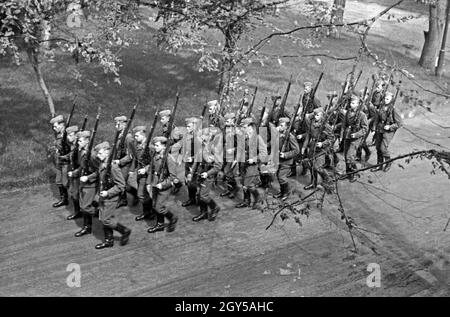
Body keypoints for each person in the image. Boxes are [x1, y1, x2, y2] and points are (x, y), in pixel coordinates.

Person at [94, 141, 132, 249]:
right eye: (98, 153)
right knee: (103, 218)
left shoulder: (113, 167)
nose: (98, 155)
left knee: (106, 219)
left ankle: (124, 230)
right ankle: (108, 241)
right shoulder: (102, 164)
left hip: (111, 198)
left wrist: (108, 193)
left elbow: (121, 185)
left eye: (100, 153)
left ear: (107, 153)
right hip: (103, 196)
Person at [146, 136, 178, 233]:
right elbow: (151, 169)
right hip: (155, 183)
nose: (155, 147)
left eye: (157, 145)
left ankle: (172, 218)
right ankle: (160, 224)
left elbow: (172, 176)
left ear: (164, 147)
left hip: (164, 186)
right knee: (155, 204)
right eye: (155, 145)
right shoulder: (155, 156)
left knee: (158, 207)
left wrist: (163, 185)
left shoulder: (169, 159)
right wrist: (148, 183)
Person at [191, 127, 223, 221]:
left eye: (203, 136)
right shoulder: (202, 146)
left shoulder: (214, 148)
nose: (200, 138)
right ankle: (203, 213)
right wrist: (191, 172)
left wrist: (208, 173)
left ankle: (215, 207)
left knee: (203, 195)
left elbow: (218, 166)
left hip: (208, 175)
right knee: (200, 194)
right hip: (200, 173)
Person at [235, 118, 268, 208]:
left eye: (245, 127)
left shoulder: (257, 138)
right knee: (244, 183)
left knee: (248, 184)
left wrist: (254, 159)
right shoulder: (244, 137)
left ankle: (257, 197)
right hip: (243, 164)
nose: (243, 129)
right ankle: (247, 201)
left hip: (252, 166)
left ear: (250, 127)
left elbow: (264, 153)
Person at [302, 108, 334, 191]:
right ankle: (313, 183)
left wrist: (323, 143)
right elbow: (308, 136)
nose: (315, 117)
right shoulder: (312, 124)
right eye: (314, 115)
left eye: (317, 115)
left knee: (318, 167)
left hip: (321, 149)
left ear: (322, 116)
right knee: (311, 165)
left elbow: (331, 139)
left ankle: (327, 179)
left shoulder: (326, 126)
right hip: (313, 147)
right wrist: (304, 147)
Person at [370, 91, 403, 172]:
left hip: (388, 132)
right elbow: (377, 118)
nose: (385, 100)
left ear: (391, 100)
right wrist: (374, 129)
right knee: (378, 147)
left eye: (387, 99)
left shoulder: (393, 109)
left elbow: (400, 123)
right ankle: (379, 165)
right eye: (385, 98)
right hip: (380, 129)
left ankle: (388, 162)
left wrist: (390, 126)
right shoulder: (382, 107)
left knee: (383, 148)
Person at [72, 130, 97, 238]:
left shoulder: (92, 154)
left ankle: (99, 214)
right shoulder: (82, 152)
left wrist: (88, 177)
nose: (78, 143)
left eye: (81, 141)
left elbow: (99, 171)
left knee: (85, 207)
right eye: (78, 141)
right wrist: (75, 173)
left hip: (91, 184)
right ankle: (88, 227)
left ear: (87, 141)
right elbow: (82, 166)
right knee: (84, 206)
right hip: (84, 182)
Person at [341, 95, 369, 182]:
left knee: (350, 156)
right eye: (350, 103)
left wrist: (356, 134)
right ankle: (348, 173)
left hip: (356, 138)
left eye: (353, 103)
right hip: (347, 136)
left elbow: (365, 129)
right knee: (346, 155)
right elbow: (344, 124)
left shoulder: (362, 115)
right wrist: (342, 135)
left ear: (358, 104)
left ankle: (354, 173)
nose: (351, 104)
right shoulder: (348, 112)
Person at [112, 115, 136, 207]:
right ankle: (123, 199)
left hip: (126, 164)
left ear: (123, 125)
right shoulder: (120, 134)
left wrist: (119, 161)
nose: (115, 126)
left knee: (121, 182)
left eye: (117, 124)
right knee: (120, 182)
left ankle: (134, 194)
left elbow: (130, 155)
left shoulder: (128, 137)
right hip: (120, 162)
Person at [132, 126, 154, 222]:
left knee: (141, 194)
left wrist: (145, 169)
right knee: (143, 193)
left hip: (147, 174)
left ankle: (151, 211)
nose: (135, 138)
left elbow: (155, 162)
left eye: (137, 136)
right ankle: (147, 212)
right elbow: (136, 159)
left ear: (142, 135)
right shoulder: (138, 145)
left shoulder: (150, 147)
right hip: (140, 173)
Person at [60, 125, 82, 220]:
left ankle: (91, 210)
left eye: (70, 135)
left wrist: (75, 173)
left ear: (76, 135)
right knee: (74, 192)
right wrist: (65, 157)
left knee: (79, 193)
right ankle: (78, 211)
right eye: (68, 135)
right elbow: (71, 155)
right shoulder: (73, 145)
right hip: (74, 173)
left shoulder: (78, 147)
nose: (68, 138)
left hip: (79, 174)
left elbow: (83, 164)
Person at [274, 117, 299, 200]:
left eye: (281, 125)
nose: (279, 127)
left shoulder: (290, 137)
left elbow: (296, 150)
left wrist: (285, 155)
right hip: (279, 159)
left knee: (281, 177)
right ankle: (282, 192)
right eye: (279, 125)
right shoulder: (279, 134)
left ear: (286, 127)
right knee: (279, 175)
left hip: (287, 161)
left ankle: (286, 193)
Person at [181, 117, 202, 207]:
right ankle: (192, 199)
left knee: (196, 182)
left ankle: (200, 199)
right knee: (189, 182)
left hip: (196, 164)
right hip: (188, 162)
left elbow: (201, 153)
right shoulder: (188, 136)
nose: (187, 128)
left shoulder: (198, 138)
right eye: (187, 126)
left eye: (189, 126)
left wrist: (192, 158)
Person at [50, 115, 69, 208]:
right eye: (53, 126)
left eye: (56, 126)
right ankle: (64, 199)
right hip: (59, 160)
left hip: (66, 162)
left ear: (62, 125)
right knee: (58, 180)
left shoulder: (68, 135)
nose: (54, 128)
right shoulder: (58, 135)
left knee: (67, 183)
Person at [220, 112, 239, 199]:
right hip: (224, 154)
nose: (225, 123)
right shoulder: (225, 129)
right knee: (226, 172)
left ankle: (234, 189)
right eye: (225, 121)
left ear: (233, 121)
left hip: (233, 155)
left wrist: (233, 149)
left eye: (227, 121)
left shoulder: (237, 131)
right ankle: (229, 189)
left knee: (229, 173)